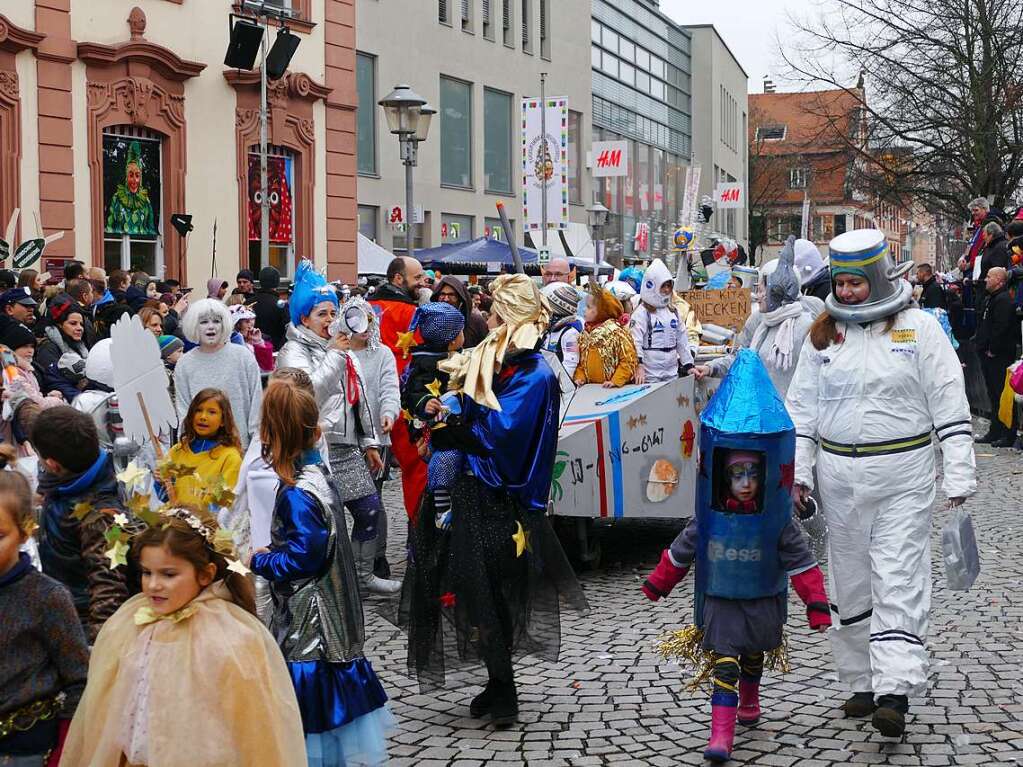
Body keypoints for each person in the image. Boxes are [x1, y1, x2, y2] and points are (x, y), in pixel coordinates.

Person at [787, 229, 976, 737]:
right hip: (839, 480)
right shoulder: (824, 335)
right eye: (840, 283)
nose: (846, 293)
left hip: (903, 477)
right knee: (849, 582)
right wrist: (800, 472)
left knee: (897, 576)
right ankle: (861, 681)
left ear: (875, 277)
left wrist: (958, 471)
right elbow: (802, 410)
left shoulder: (919, 330)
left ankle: (895, 688)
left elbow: (948, 401)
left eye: (856, 284)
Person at [401, 273, 587, 726]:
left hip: (500, 498)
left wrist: (454, 427)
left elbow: (502, 434)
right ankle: (495, 679)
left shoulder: (535, 373)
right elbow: (470, 397)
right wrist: (440, 409)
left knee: (494, 592)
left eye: (498, 313)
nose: (489, 319)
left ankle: (504, 689)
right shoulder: (500, 358)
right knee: (467, 589)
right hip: (470, 490)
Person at [642, 353, 831, 762]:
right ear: (724, 475)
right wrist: (658, 583)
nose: (744, 483)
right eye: (736, 475)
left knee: (751, 657)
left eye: (751, 475)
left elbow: (801, 563)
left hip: (762, 599)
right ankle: (720, 735)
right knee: (724, 663)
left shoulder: (777, 523)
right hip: (722, 600)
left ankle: (750, 702)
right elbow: (682, 549)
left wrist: (816, 606)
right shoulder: (711, 517)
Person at [60, 510, 307, 766]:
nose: (154, 585)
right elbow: (107, 711)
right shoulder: (129, 623)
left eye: (168, 574)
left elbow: (254, 729)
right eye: (147, 572)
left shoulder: (230, 637)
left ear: (205, 574)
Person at [250, 383, 393, 766]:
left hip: (311, 628)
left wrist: (261, 560)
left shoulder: (299, 492)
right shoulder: (317, 472)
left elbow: (303, 559)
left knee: (313, 727)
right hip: (329, 618)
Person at [279, 262, 400, 595]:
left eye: (333, 312)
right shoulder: (292, 351)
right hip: (311, 452)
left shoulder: (339, 349)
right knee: (326, 523)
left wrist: (370, 443)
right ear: (304, 318)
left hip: (347, 449)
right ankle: (333, 583)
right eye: (322, 314)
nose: (331, 320)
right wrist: (334, 356)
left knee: (370, 511)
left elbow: (357, 399)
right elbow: (305, 394)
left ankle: (362, 577)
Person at [0, 460, 89, 766]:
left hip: (29, 750)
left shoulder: (47, 597)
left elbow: (79, 679)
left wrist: (64, 752)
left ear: (24, 532)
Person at [32, 406, 133, 641]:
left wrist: (95, 653)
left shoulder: (101, 517)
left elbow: (109, 591)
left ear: (53, 464)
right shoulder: (76, 475)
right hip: (62, 605)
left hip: (81, 623)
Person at [694, 237, 815, 398]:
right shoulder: (759, 320)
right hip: (761, 413)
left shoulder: (806, 326)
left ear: (778, 289)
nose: (757, 296)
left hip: (792, 415)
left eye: (762, 289)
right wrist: (711, 368)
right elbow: (740, 359)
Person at [344, 297, 400, 579]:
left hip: (377, 439)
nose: (366, 326)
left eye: (370, 319)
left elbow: (390, 389)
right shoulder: (337, 354)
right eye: (359, 319)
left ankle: (375, 557)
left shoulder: (382, 355)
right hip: (342, 442)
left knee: (373, 500)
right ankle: (346, 564)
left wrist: (389, 413)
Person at [399, 302, 470, 526]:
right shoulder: (426, 363)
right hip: (435, 430)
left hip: (454, 425)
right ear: (451, 340)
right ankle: (442, 508)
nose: (463, 336)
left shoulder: (456, 355)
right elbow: (414, 391)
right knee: (444, 460)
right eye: (461, 332)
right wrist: (426, 402)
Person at [370, 256, 429, 520]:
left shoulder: (365, 310)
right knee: (415, 469)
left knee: (370, 482)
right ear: (398, 279)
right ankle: (416, 536)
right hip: (405, 403)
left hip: (368, 404)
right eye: (417, 278)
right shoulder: (414, 314)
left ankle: (372, 551)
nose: (422, 283)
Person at [174, 298, 263, 449]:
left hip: (241, 448)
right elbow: (184, 410)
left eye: (216, 321)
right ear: (194, 326)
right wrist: (185, 445)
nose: (211, 327)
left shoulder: (243, 356)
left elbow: (257, 402)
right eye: (203, 322)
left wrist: (256, 444)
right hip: (201, 450)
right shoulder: (185, 364)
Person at [162, 388, 243, 510]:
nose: (203, 417)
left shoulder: (229, 458)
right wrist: (160, 481)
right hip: (175, 525)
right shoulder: (177, 451)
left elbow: (223, 505)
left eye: (212, 412)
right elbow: (163, 497)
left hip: (207, 527)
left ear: (223, 420)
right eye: (198, 410)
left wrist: (192, 517)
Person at [629, 258, 694, 384]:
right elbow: (634, 341)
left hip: (671, 372)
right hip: (649, 374)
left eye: (669, 286)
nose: (666, 290)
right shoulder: (641, 313)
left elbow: (682, 340)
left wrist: (689, 365)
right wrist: (639, 365)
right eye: (663, 286)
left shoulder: (673, 312)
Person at [974, 266, 1018, 446]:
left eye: (989, 277)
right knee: (993, 394)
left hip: (998, 356)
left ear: (1000, 280)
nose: (985, 279)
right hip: (988, 353)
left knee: (1002, 395)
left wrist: (993, 348)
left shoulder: (1003, 300)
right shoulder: (991, 299)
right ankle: (995, 431)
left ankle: (1008, 433)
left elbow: (1001, 327)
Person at [573, 283, 638, 388]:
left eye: (589, 307)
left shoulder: (616, 333)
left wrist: (616, 381)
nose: (584, 310)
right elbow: (581, 362)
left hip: (612, 391)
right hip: (591, 390)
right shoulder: (585, 334)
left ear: (602, 311)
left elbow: (628, 360)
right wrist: (580, 377)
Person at [34, 296, 91, 403]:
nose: (80, 328)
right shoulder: (48, 348)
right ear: (59, 325)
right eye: (73, 323)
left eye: (81, 324)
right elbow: (55, 382)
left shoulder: (80, 345)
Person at [432, 275, 489, 348]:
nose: (446, 299)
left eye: (451, 295)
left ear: (460, 298)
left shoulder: (476, 322)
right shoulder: (431, 322)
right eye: (442, 294)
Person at [541, 281, 582, 378]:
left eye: (545, 309)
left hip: (559, 383)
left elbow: (570, 363)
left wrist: (558, 385)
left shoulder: (570, 333)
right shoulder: (550, 331)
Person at [252, 266, 289, 350]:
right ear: (277, 283)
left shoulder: (249, 303)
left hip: (251, 350)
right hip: (273, 350)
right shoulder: (281, 305)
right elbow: (287, 331)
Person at [229, 303, 274, 372]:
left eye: (252, 321)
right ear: (236, 325)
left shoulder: (251, 342)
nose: (250, 326)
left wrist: (259, 342)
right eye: (247, 322)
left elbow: (267, 367)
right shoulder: (231, 343)